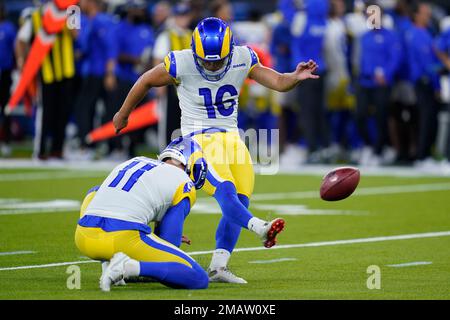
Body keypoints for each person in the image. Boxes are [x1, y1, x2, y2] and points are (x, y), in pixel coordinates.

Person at [113, 17, 319, 283]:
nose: (211, 65)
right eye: (206, 60)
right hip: (198, 139)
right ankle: (260, 227)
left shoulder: (243, 57)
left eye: (217, 60)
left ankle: (219, 267)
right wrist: (123, 112)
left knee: (241, 198)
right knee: (225, 191)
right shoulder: (182, 61)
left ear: (230, 50)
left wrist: (295, 77)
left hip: (232, 137)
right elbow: (145, 80)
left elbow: (278, 82)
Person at [75, 137, 209, 291]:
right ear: (194, 165)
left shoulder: (134, 161)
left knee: (97, 192)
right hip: (121, 237)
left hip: (84, 237)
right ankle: (126, 267)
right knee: (198, 278)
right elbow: (170, 241)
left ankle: (108, 262)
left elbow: (93, 191)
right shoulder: (184, 182)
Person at [15, 1, 76, 160]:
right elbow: (21, 40)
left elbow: (76, 35)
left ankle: (58, 150)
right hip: (47, 71)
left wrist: (66, 17)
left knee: (63, 112)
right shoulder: (36, 15)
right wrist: (23, 61)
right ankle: (41, 150)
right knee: (46, 112)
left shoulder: (72, 11)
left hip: (67, 70)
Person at [355, 3, 401, 166]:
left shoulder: (390, 36)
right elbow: (358, 60)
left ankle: (378, 151)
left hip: (382, 83)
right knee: (359, 115)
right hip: (364, 81)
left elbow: (395, 58)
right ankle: (367, 145)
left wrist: (386, 74)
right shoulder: (363, 37)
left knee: (381, 117)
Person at [73, 0, 118, 159]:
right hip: (90, 72)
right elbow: (83, 48)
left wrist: (110, 73)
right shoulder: (89, 21)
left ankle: (104, 146)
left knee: (97, 109)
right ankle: (90, 144)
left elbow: (111, 49)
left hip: (100, 72)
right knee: (87, 109)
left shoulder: (102, 21)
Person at [291, 0, 330, 163]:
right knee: (319, 111)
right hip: (321, 68)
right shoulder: (324, 20)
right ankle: (323, 147)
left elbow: (296, 45)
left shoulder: (301, 18)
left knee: (307, 112)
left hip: (306, 70)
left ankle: (312, 148)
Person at [152, 2, 192, 149]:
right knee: (168, 120)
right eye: (180, 16)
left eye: (185, 16)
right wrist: (159, 85)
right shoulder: (166, 36)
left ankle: (184, 151)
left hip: (188, 87)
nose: (183, 19)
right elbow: (158, 59)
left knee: (186, 121)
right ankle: (165, 149)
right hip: (170, 84)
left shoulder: (191, 35)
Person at [405, 2, 441, 164]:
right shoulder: (418, 34)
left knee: (428, 118)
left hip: (423, 80)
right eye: (425, 13)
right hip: (424, 81)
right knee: (427, 118)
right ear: (416, 15)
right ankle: (422, 156)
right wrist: (437, 85)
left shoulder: (423, 32)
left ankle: (424, 154)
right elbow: (428, 65)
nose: (428, 17)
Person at [0, 1, 16, 157]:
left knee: (6, 108)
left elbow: (15, 48)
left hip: (4, 73)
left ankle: (6, 141)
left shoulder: (8, 28)